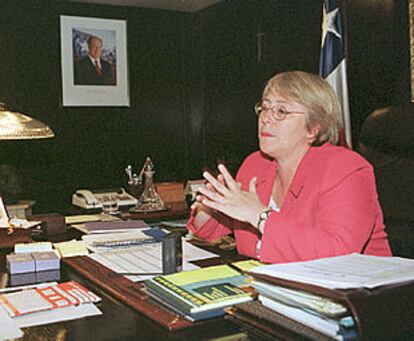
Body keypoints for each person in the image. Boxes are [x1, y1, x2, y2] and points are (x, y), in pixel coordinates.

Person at [187, 71, 392, 264]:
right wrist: (209, 205)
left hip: (355, 295)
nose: (265, 118)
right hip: (272, 290)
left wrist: (259, 215)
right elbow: (213, 230)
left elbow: (338, 252)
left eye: (281, 111)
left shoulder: (346, 169)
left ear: (313, 128)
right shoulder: (255, 164)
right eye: (265, 108)